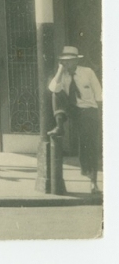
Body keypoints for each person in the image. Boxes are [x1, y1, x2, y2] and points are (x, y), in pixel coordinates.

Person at [47, 46, 102, 194]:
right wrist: (59, 71)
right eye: (64, 61)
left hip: (88, 110)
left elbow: (99, 94)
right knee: (55, 93)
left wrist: (99, 116)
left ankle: (93, 182)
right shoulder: (62, 75)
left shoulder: (87, 72)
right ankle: (59, 125)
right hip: (71, 109)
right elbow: (53, 88)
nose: (67, 64)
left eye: (70, 61)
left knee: (88, 144)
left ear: (76, 61)